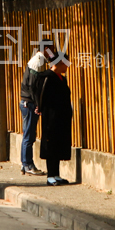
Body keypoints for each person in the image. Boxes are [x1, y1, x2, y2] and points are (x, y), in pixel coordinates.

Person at [37, 56, 73, 185]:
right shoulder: (46, 77)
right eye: (66, 63)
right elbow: (40, 95)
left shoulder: (62, 79)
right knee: (51, 144)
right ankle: (50, 175)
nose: (67, 67)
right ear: (59, 63)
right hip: (50, 116)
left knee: (59, 144)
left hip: (61, 116)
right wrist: (39, 107)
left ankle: (57, 174)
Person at [18, 44, 53, 176]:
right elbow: (33, 86)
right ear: (45, 49)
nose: (53, 52)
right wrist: (38, 104)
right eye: (51, 49)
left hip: (28, 102)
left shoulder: (38, 60)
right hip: (29, 103)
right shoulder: (38, 60)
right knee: (29, 135)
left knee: (28, 134)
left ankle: (25, 164)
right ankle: (27, 164)